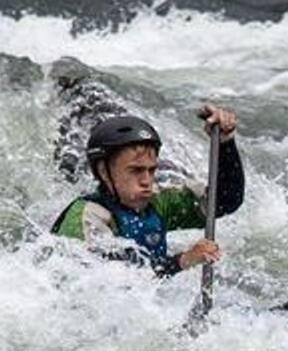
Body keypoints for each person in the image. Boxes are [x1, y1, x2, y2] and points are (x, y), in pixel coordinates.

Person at [51, 107, 244, 277]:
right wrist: (182, 261)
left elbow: (225, 201)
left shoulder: (158, 203)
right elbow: (111, 287)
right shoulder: (86, 217)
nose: (146, 181)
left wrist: (225, 143)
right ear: (103, 171)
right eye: (135, 170)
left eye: (151, 170)